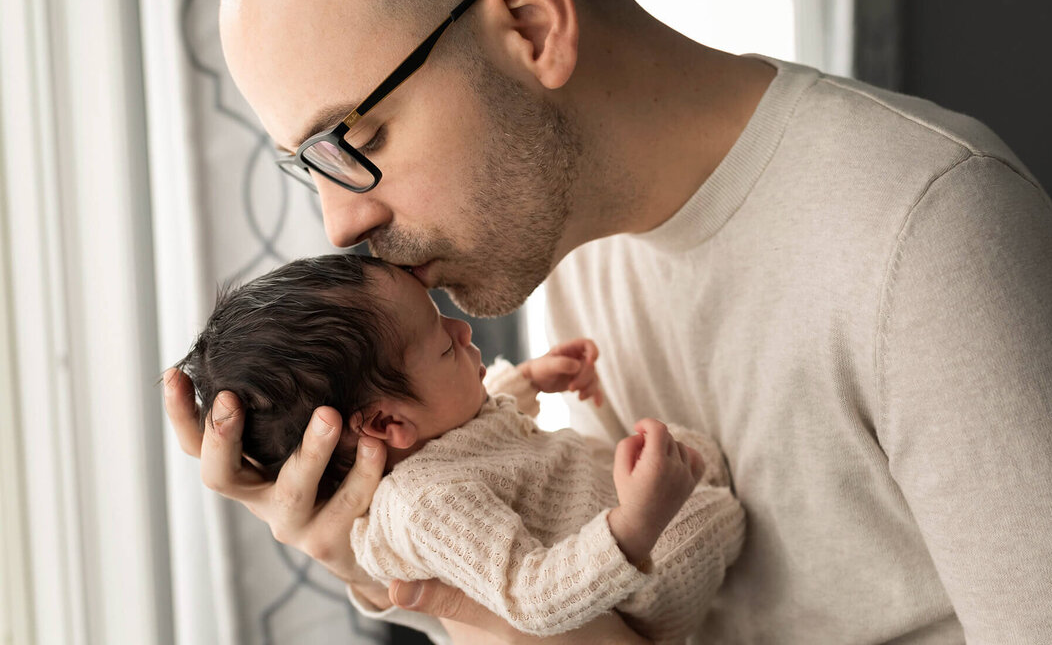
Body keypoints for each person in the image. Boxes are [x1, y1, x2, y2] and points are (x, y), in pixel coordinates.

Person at [161, 0, 1052, 642]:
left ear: (529, 22)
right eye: (316, 166)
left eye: (363, 137)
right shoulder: (570, 257)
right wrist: (413, 565)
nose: (344, 223)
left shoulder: (931, 237)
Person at [177, 253, 744, 642]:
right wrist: (638, 522)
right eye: (442, 345)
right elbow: (531, 598)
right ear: (384, 421)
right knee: (711, 516)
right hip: (637, 587)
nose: (462, 332)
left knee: (687, 452)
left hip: (607, 512)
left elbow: (480, 428)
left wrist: (529, 380)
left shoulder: (433, 436)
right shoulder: (427, 508)